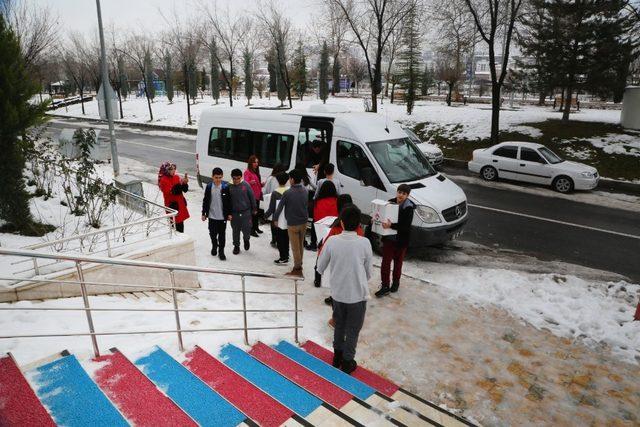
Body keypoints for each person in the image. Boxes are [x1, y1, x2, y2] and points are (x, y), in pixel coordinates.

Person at [317, 204, 372, 374]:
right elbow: (368, 272)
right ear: (358, 225)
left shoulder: (332, 241)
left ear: (340, 222)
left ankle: (337, 356)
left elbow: (320, 266)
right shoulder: (364, 243)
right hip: (357, 295)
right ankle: (348, 362)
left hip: (338, 294)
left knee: (339, 325)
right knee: (353, 330)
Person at [375, 184, 415, 297]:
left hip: (401, 241)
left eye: (404, 193)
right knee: (385, 263)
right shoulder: (389, 203)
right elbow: (382, 215)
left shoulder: (409, 208)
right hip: (389, 239)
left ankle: (396, 283)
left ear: (407, 195)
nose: (401, 195)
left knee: (398, 263)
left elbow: (406, 226)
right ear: (397, 192)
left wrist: (391, 225)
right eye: (399, 192)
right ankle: (385, 286)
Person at [318, 195, 364, 292]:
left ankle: (334, 296)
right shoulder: (359, 230)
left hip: (338, 261)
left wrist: (320, 256)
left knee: (337, 279)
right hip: (354, 263)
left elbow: (326, 245)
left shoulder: (336, 226)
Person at [273, 169, 308, 278]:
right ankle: (299, 264)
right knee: (300, 244)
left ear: (292, 179)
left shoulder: (288, 193)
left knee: (295, 247)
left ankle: (297, 268)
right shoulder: (305, 190)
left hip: (292, 223)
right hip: (304, 221)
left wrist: (275, 219)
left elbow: (279, 207)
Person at [201, 167, 232, 260]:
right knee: (212, 234)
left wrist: (229, 214)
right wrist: (203, 213)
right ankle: (214, 245)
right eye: (216, 177)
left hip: (222, 217)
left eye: (220, 177)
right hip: (212, 216)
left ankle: (221, 251)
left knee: (222, 235)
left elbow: (229, 202)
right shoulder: (209, 186)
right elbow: (206, 200)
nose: (218, 179)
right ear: (212, 177)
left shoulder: (225, 187)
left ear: (222, 177)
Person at [263, 172, 290, 265]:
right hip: (287, 218)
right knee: (286, 237)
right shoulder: (289, 190)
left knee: (279, 238)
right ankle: (287, 254)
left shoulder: (275, 193)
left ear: (278, 181)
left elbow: (271, 208)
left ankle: (283, 257)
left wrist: (265, 216)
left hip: (277, 219)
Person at [229, 168, 256, 255]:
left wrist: (254, 208)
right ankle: (236, 246)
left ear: (241, 177)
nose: (236, 180)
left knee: (247, 228)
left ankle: (246, 239)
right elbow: (226, 201)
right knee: (235, 230)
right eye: (234, 178)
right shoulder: (229, 186)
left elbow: (252, 196)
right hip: (234, 213)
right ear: (232, 178)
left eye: (238, 178)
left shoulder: (246, 185)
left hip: (246, 212)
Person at [158, 162, 190, 233]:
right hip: (172, 207)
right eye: (171, 169)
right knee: (175, 228)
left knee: (180, 226)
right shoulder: (163, 180)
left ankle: (181, 240)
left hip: (180, 205)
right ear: (166, 170)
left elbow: (184, 190)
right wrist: (181, 184)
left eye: (173, 169)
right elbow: (173, 191)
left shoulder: (176, 177)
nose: (173, 171)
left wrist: (185, 183)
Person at [263, 163, 288, 246]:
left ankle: (274, 239)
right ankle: (281, 240)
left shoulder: (270, 178)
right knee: (282, 221)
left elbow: (265, 191)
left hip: (272, 201)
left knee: (274, 221)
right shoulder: (286, 179)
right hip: (284, 205)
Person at [244, 155, 263, 237]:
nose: (256, 164)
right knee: (252, 213)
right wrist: (250, 182)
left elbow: (258, 184)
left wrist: (261, 184)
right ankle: (251, 229)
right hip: (251, 196)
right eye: (254, 162)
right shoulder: (247, 172)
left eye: (257, 162)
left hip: (257, 195)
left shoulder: (256, 172)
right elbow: (245, 183)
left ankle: (256, 227)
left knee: (256, 212)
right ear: (251, 163)